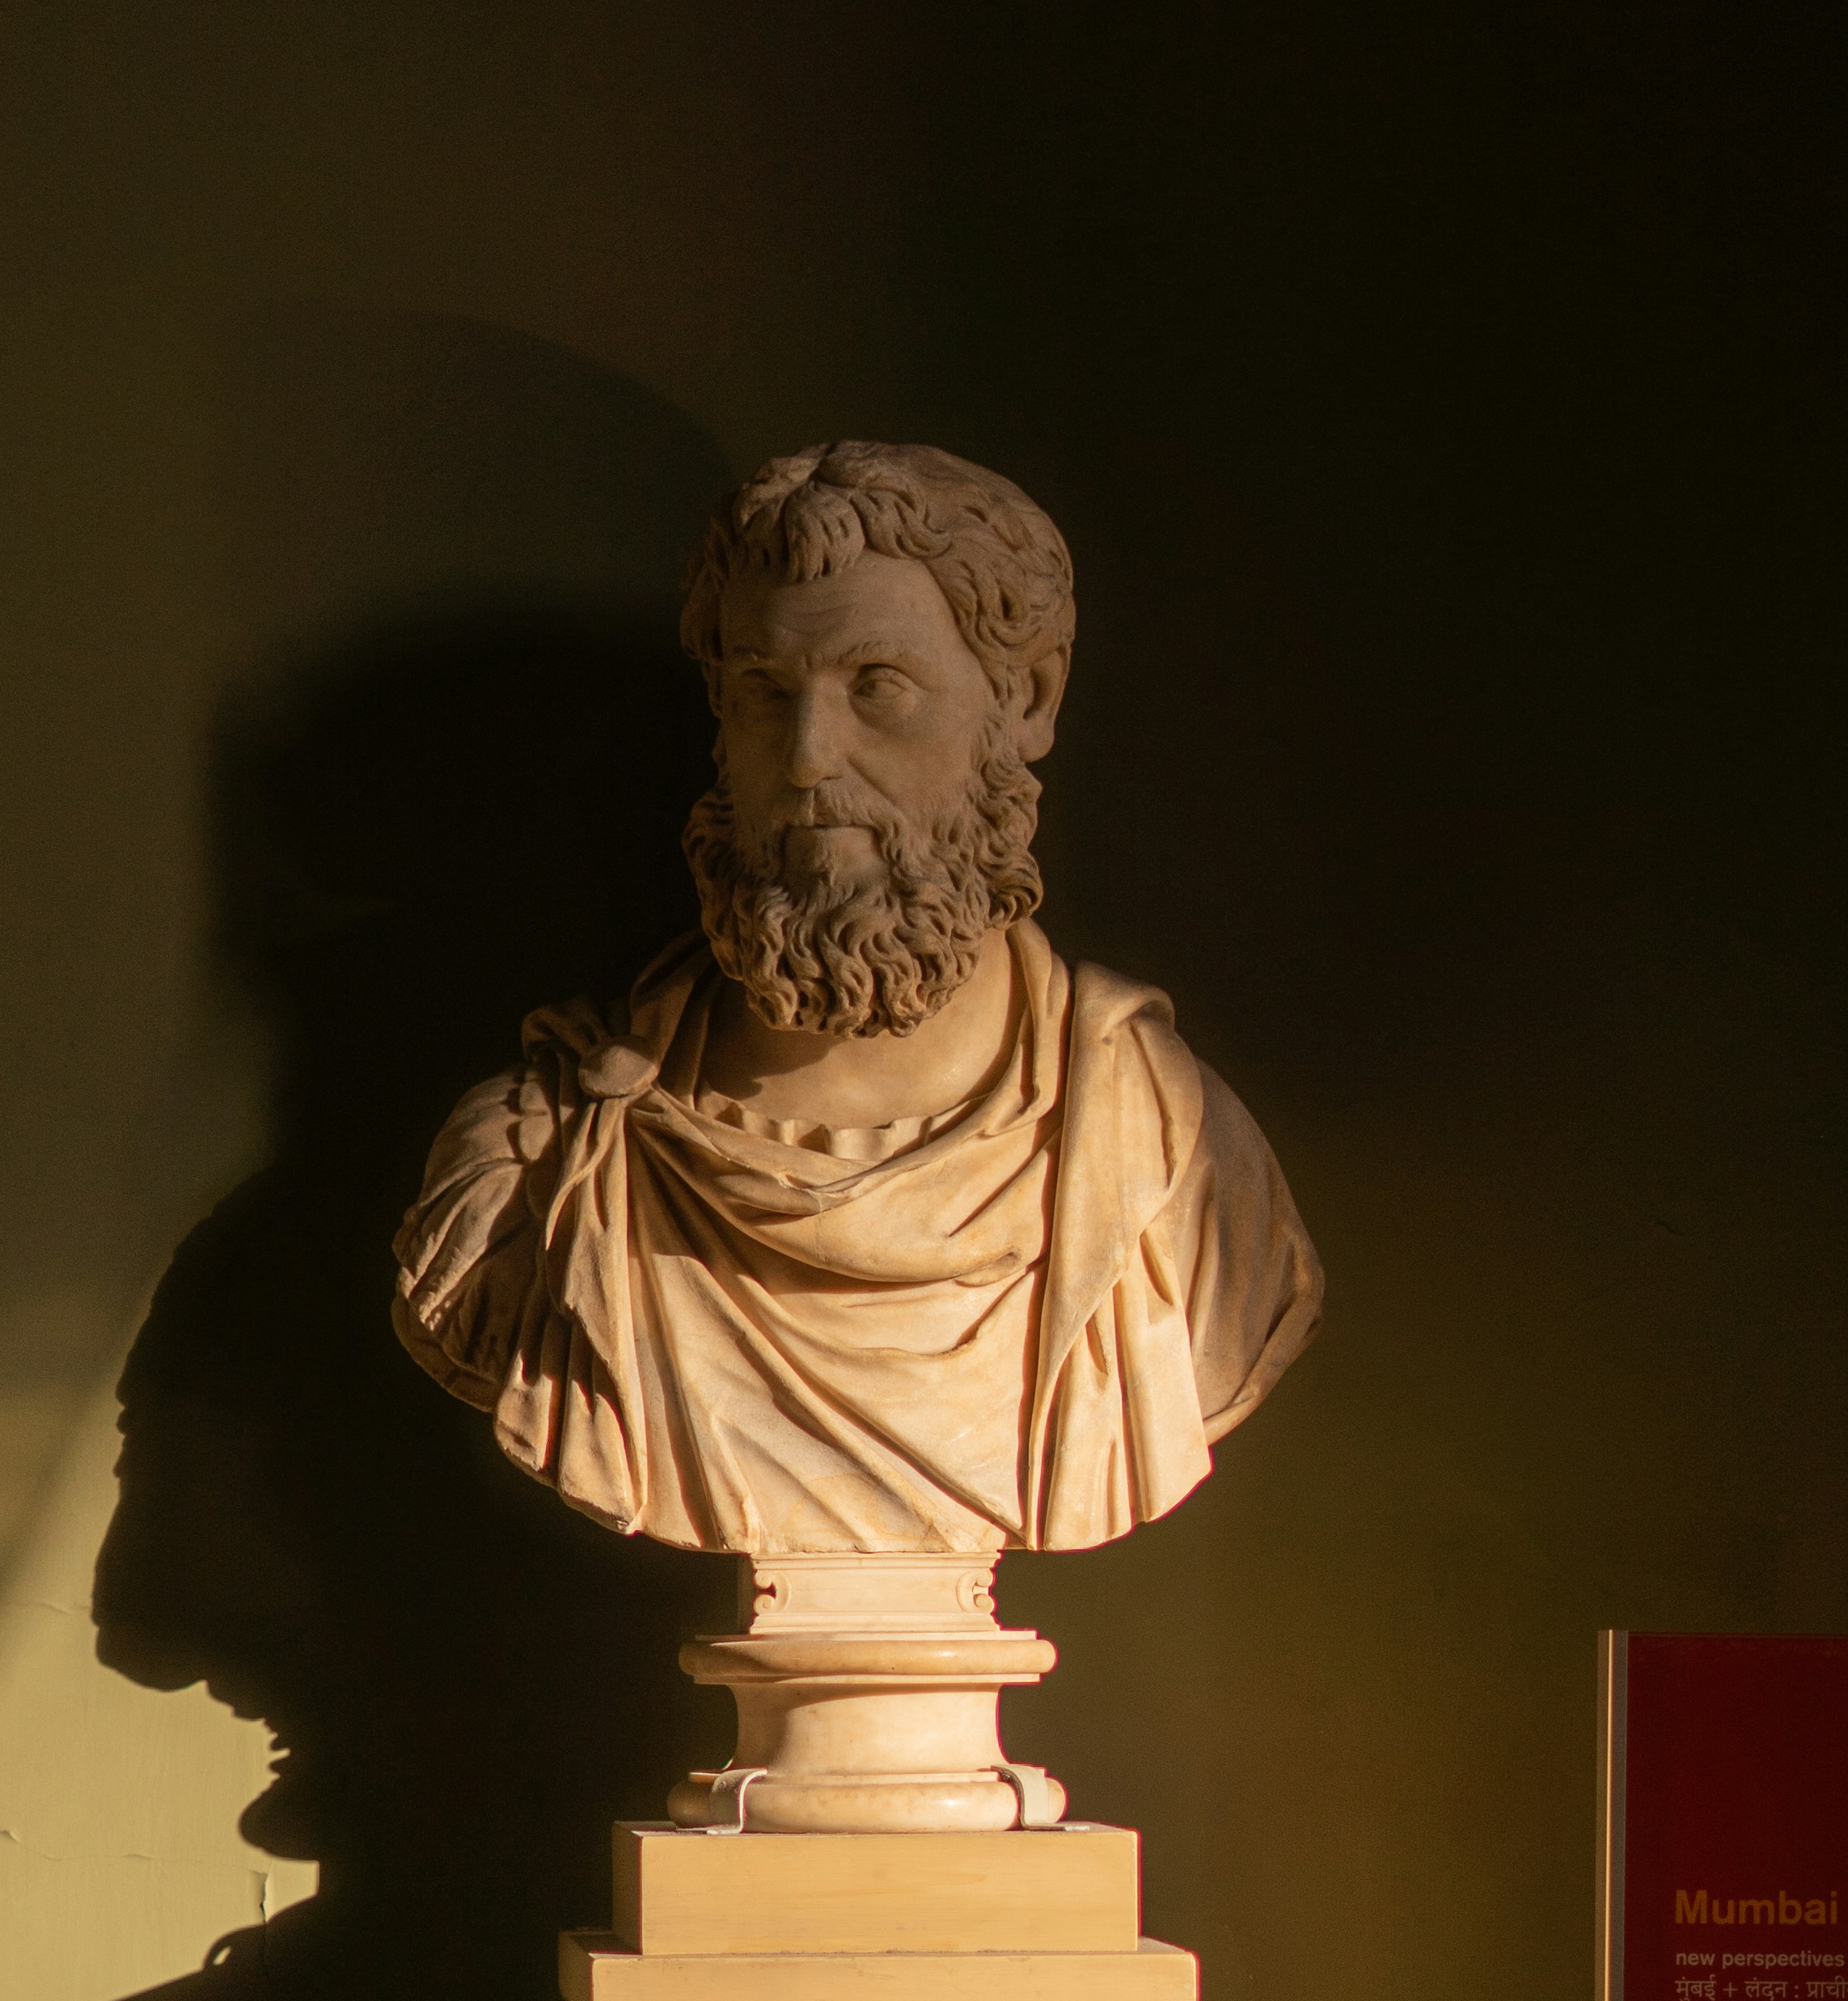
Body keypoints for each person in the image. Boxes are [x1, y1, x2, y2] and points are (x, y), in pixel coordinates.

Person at [392, 439, 1322, 1554]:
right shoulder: (536, 1176)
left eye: (876, 687)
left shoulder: (1177, 1169)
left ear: (1026, 698)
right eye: (763, 695)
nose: (808, 760)